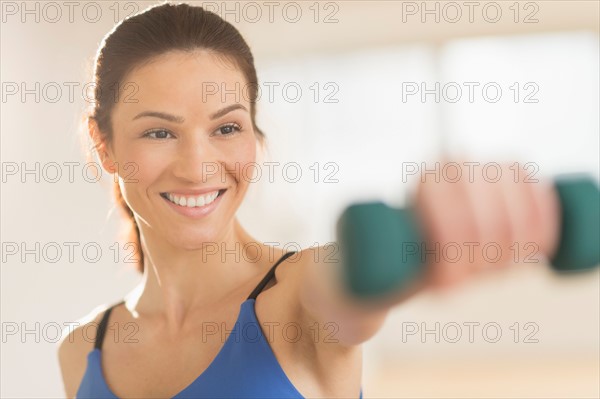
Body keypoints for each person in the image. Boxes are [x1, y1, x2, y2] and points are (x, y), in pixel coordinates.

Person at [57, 2, 560, 398]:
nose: (197, 167)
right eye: (160, 133)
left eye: (226, 127)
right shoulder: (82, 350)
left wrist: (425, 238)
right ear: (104, 145)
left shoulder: (297, 296)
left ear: (255, 137)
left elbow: (347, 287)